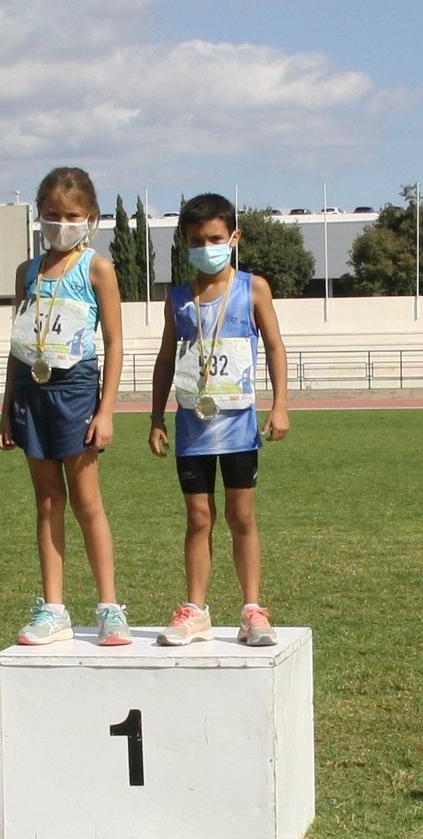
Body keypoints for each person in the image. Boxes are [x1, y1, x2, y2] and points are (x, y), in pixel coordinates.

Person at [147, 193, 291, 646]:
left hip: (239, 425)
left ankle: (253, 608)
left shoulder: (254, 288)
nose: (206, 246)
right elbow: (166, 358)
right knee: (198, 516)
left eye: (214, 238)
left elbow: (274, 346)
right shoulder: (178, 299)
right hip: (193, 426)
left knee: (241, 515)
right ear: (184, 244)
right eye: (196, 240)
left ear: (233, 237)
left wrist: (281, 403)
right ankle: (195, 609)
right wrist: (156, 418)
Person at [0, 166, 131, 646]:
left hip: (75, 389)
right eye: (52, 215)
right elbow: (18, 343)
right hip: (32, 392)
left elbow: (115, 342)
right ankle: (53, 608)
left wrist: (106, 410)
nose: (61, 223)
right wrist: (7, 407)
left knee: (87, 502)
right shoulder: (27, 272)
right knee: (48, 501)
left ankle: (109, 607)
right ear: (39, 216)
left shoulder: (96, 269)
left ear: (91, 218)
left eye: (72, 215)